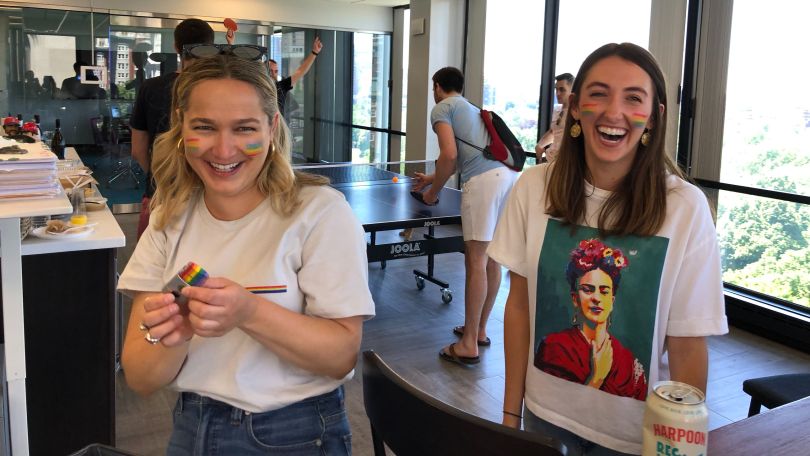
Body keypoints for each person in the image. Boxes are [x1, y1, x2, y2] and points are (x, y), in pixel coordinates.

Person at [118, 53, 374, 455]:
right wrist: (173, 335)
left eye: (244, 128)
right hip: (190, 427)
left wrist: (248, 312)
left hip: (296, 430)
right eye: (204, 127)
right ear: (182, 127)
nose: (223, 150)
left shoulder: (320, 212)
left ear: (272, 127)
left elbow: (340, 356)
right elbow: (140, 377)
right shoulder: (169, 217)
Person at [489, 43, 728, 455]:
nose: (613, 112)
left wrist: (676, 447)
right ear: (576, 107)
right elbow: (519, 307)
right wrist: (511, 416)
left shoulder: (686, 209)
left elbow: (688, 345)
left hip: (637, 437)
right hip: (544, 418)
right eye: (598, 93)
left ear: (654, 117)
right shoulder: (532, 188)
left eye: (633, 98)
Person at [412, 66, 518, 365]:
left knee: (475, 261)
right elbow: (460, 158)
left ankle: (468, 343)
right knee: (492, 258)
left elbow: (449, 156)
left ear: (436, 86)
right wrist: (432, 178)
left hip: (483, 183)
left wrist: (432, 194)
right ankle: (479, 330)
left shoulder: (442, 108)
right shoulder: (469, 107)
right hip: (508, 177)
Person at [130, 18, 214, 239]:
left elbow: (138, 150)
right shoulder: (222, 89)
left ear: (177, 47)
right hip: (210, 201)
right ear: (210, 47)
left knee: (150, 267)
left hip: (160, 194)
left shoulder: (150, 88)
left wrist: (161, 176)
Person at [535, 238, 647, 401]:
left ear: (612, 301)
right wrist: (597, 378)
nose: (596, 298)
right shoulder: (553, 347)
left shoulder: (629, 363)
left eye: (604, 291)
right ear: (575, 298)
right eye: (587, 290)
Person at [268, 36, 323, 116]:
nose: (273, 74)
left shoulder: (280, 86)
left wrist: (314, 52)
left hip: (278, 127)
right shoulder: (257, 88)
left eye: (276, 71)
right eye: (270, 71)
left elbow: (300, 71)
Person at [534, 72, 574, 162]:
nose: (558, 93)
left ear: (572, 90)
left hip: (567, 161)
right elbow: (553, 132)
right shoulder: (557, 109)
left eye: (562, 90)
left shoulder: (577, 112)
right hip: (551, 157)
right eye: (556, 89)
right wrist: (540, 145)